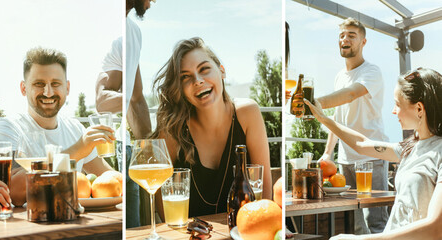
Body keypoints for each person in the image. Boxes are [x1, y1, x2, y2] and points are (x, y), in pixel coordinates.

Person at [304, 67, 442, 240]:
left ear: (419, 109)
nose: (393, 111)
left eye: (398, 104)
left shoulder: (439, 152)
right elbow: (362, 144)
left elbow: (436, 228)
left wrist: (360, 239)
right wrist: (324, 118)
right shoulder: (409, 148)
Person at [152, 37, 272, 217]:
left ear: (222, 71)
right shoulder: (172, 128)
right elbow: (165, 213)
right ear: (180, 88)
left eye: (204, 69)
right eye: (186, 77)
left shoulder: (248, 113)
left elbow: (265, 200)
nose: (198, 80)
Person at [0, 47, 120, 206]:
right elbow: (12, 193)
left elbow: (109, 178)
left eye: (56, 83)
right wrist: (78, 150)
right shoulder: (8, 128)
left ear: (67, 88)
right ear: (24, 88)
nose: (48, 92)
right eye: (39, 84)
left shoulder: (76, 128)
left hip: (77, 223)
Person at [315, 17, 389, 234]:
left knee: (375, 223)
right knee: (353, 225)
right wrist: (328, 153)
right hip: (346, 160)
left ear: (363, 42)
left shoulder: (371, 71)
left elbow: (350, 94)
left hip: (372, 158)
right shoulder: (339, 77)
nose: (345, 39)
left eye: (351, 35)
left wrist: (315, 103)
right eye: (342, 35)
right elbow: (336, 120)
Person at [95, 0, 154, 228]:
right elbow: (102, 100)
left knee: (135, 228)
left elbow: (137, 99)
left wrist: (149, 149)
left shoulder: (134, 32)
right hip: (101, 150)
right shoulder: (109, 27)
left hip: (127, 149)